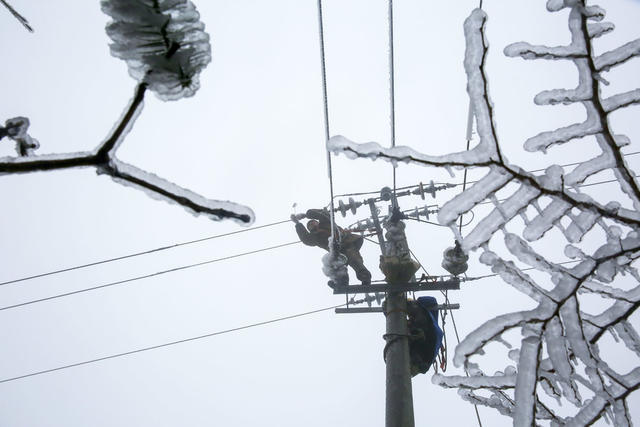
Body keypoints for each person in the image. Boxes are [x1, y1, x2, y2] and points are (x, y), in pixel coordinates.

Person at [292, 208, 372, 285]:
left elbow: (323, 214)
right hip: (337, 251)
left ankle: (364, 276)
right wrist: (297, 223)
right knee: (334, 265)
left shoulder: (326, 223)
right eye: (309, 225)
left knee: (353, 258)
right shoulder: (315, 237)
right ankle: (342, 281)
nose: (311, 224)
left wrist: (306, 215)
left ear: (317, 222)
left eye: (313, 222)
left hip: (347, 243)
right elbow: (305, 238)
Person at [407, 296, 444, 376]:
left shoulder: (424, 312)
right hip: (426, 346)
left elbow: (433, 300)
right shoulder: (419, 319)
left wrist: (416, 301)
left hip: (428, 340)